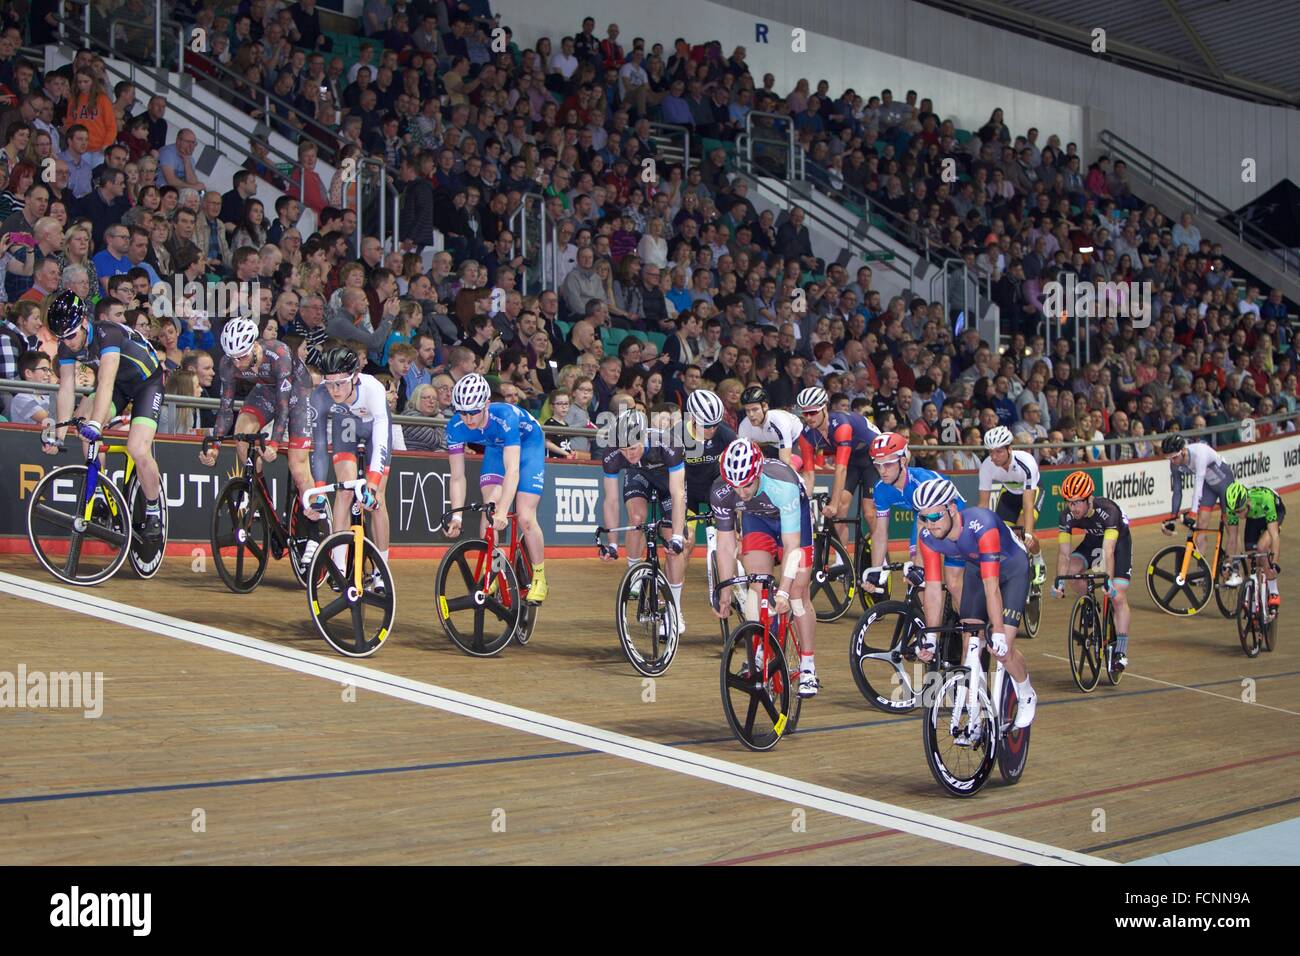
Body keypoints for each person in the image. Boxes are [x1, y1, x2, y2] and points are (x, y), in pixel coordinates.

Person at [913, 477, 1037, 731]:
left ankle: (1026, 692)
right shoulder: (929, 537)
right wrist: (931, 638)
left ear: (952, 509)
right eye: (923, 518)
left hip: (1012, 570)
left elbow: (992, 587)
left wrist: (999, 630)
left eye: (934, 517)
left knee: (1003, 649)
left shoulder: (983, 524)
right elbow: (934, 589)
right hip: (977, 570)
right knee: (971, 645)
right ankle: (976, 712)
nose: (929, 525)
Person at [41, 290, 165, 541]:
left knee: (138, 449)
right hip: (119, 384)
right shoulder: (67, 345)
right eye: (61, 338)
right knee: (82, 428)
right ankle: (99, 494)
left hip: (146, 384)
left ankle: (154, 512)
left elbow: (105, 382)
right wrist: (59, 435)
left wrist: (97, 424)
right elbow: (65, 389)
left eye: (72, 335)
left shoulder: (108, 333)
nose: (68, 342)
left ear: (85, 323)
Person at [711, 437, 820, 697]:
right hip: (758, 521)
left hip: (794, 522)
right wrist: (724, 593)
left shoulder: (783, 484)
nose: (741, 492)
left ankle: (807, 665)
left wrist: (783, 590)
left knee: (797, 594)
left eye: (747, 484)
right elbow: (725, 547)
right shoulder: (721, 491)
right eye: (734, 485)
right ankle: (761, 648)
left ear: (758, 472)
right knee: (757, 583)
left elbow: (792, 546)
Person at [198, 317, 319, 535]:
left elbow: (283, 408)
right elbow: (225, 409)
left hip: (297, 392)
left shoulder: (278, 354)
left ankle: (315, 526)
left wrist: (274, 442)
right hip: (265, 391)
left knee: (298, 466)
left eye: (242, 356)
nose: (237, 363)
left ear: (254, 346)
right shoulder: (228, 363)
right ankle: (258, 494)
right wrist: (214, 445)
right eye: (232, 358)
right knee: (242, 437)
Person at [444, 373, 549, 604]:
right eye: (463, 412)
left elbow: (512, 470)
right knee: (489, 510)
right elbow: (458, 476)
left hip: (529, 445)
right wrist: (458, 517)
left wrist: (504, 511)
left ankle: (540, 577)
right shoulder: (455, 426)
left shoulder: (505, 417)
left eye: (473, 412)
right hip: (496, 447)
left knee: (524, 516)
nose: (468, 418)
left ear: (487, 405)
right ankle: (496, 569)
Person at [306, 346, 393, 587]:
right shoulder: (320, 396)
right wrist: (320, 491)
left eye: (341, 383)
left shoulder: (373, 388)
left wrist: (372, 487)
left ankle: (380, 570)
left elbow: (382, 440)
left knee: (377, 501)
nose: (334, 390)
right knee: (344, 492)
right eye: (329, 383)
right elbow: (320, 446)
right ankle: (339, 566)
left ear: (354, 377)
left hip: (374, 429)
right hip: (347, 428)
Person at [599, 409, 688, 629]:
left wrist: (677, 536)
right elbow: (611, 501)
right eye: (623, 450)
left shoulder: (667, 444)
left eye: (632, 448)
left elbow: (678, 494)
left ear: (644, 437)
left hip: (668, 483)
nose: (628, 454)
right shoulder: (612, 454)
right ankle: (634, 573)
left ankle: (674, 610)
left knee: (673, 545)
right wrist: (611, 543)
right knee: (637, 516)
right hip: (639, 477)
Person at [865, 431, 968, 605]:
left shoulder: (921, 482)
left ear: (903, 461)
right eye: (878, 465)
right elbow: (880, 532)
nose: (882, 471)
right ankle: (930, 622)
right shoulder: (881, 488)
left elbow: (928, 526)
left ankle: (966, 620)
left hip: (950, 516)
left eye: (888, 464)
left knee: (952, 584)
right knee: (917, 575)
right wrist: (876, 569)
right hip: (923, 518)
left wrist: (920, 566)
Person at [793, 385, 880, 553]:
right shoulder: (806, 436)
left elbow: (840, 469)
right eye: (805, 414)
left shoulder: (841, 425)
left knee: (869, 513)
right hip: (854, 458)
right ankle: (843, 560)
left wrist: (832, 503)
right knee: (840, 511)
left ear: (824, 408)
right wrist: (805, 502)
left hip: (873, 456)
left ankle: (880, 558)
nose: (809, 418)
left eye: (813, 412)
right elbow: (809, 475)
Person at [1160, 433, 1239, 584]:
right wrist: (1172, 517)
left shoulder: (1199, 453)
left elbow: (1198, 485)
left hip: (1224, 482)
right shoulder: (1174, 462)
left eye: (1174, 457)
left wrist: (1193, 512)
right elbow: (1177, 491)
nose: (1172, 461)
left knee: (1231, 526)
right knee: (1200, 527)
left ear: (1183, 450)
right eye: (1168, 458)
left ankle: (1235, 570)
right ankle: (1201, 572)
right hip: (1210, 486)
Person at [977, 426, 1046, 586]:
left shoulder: (1026, 462)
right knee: (1002, 534)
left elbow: (1028, 505)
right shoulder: (987, 466)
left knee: (1021, 532)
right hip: (1008, 495)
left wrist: (1028, 534)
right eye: (991, 452)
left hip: (1031, 494)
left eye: (999, 451)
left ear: (1010, 449)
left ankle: (1038, 558)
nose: (994, 457)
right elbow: (983, 505)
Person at [681, 387, 736, 566]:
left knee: (729, 539)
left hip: (716, 490)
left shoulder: (726, 434)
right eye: (707, 425)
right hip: (689, 493)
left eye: (715, 424)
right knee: (686, 542)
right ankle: (675, 588)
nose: (712, 429)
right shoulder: (677, 434)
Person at [1224, 481, 1284, 609]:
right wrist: (1228, 563)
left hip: (1272, 509)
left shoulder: (1264, 499)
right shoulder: (1232, 509)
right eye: (1235, 513)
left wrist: (1275, 563)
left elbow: (1274, 537)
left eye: (1240, 511)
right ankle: (1253, 594)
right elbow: (1232, 538)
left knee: (1262, 547)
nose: (1238, 516)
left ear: (1248, 502)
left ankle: (1273, 590)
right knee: (1250, 557)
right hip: (1254, 516)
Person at [736, 384, 803, 466]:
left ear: (765, 406)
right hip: (772, 442)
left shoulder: (779, 422)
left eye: (755, 409)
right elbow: (743, 458)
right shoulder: (744, 426)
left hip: (795, 439)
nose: (751, 415)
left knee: (789, 467)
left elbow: (786, 462)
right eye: (747, 410)